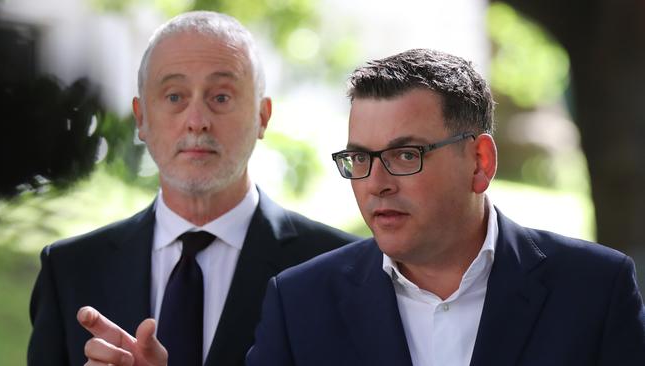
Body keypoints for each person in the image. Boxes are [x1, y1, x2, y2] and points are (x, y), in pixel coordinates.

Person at [244, 49, 645, 365]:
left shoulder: (595, 290)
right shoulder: (299, 303)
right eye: (360, 159)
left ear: (479, 162)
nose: (376, 184)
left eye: (405, 155)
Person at [27, 11, 357, 366]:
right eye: (174, 97)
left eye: (221, 97)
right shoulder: (70, 271)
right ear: (141, 118)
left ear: (262, 116)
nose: (197, 121)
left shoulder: (343, 270)